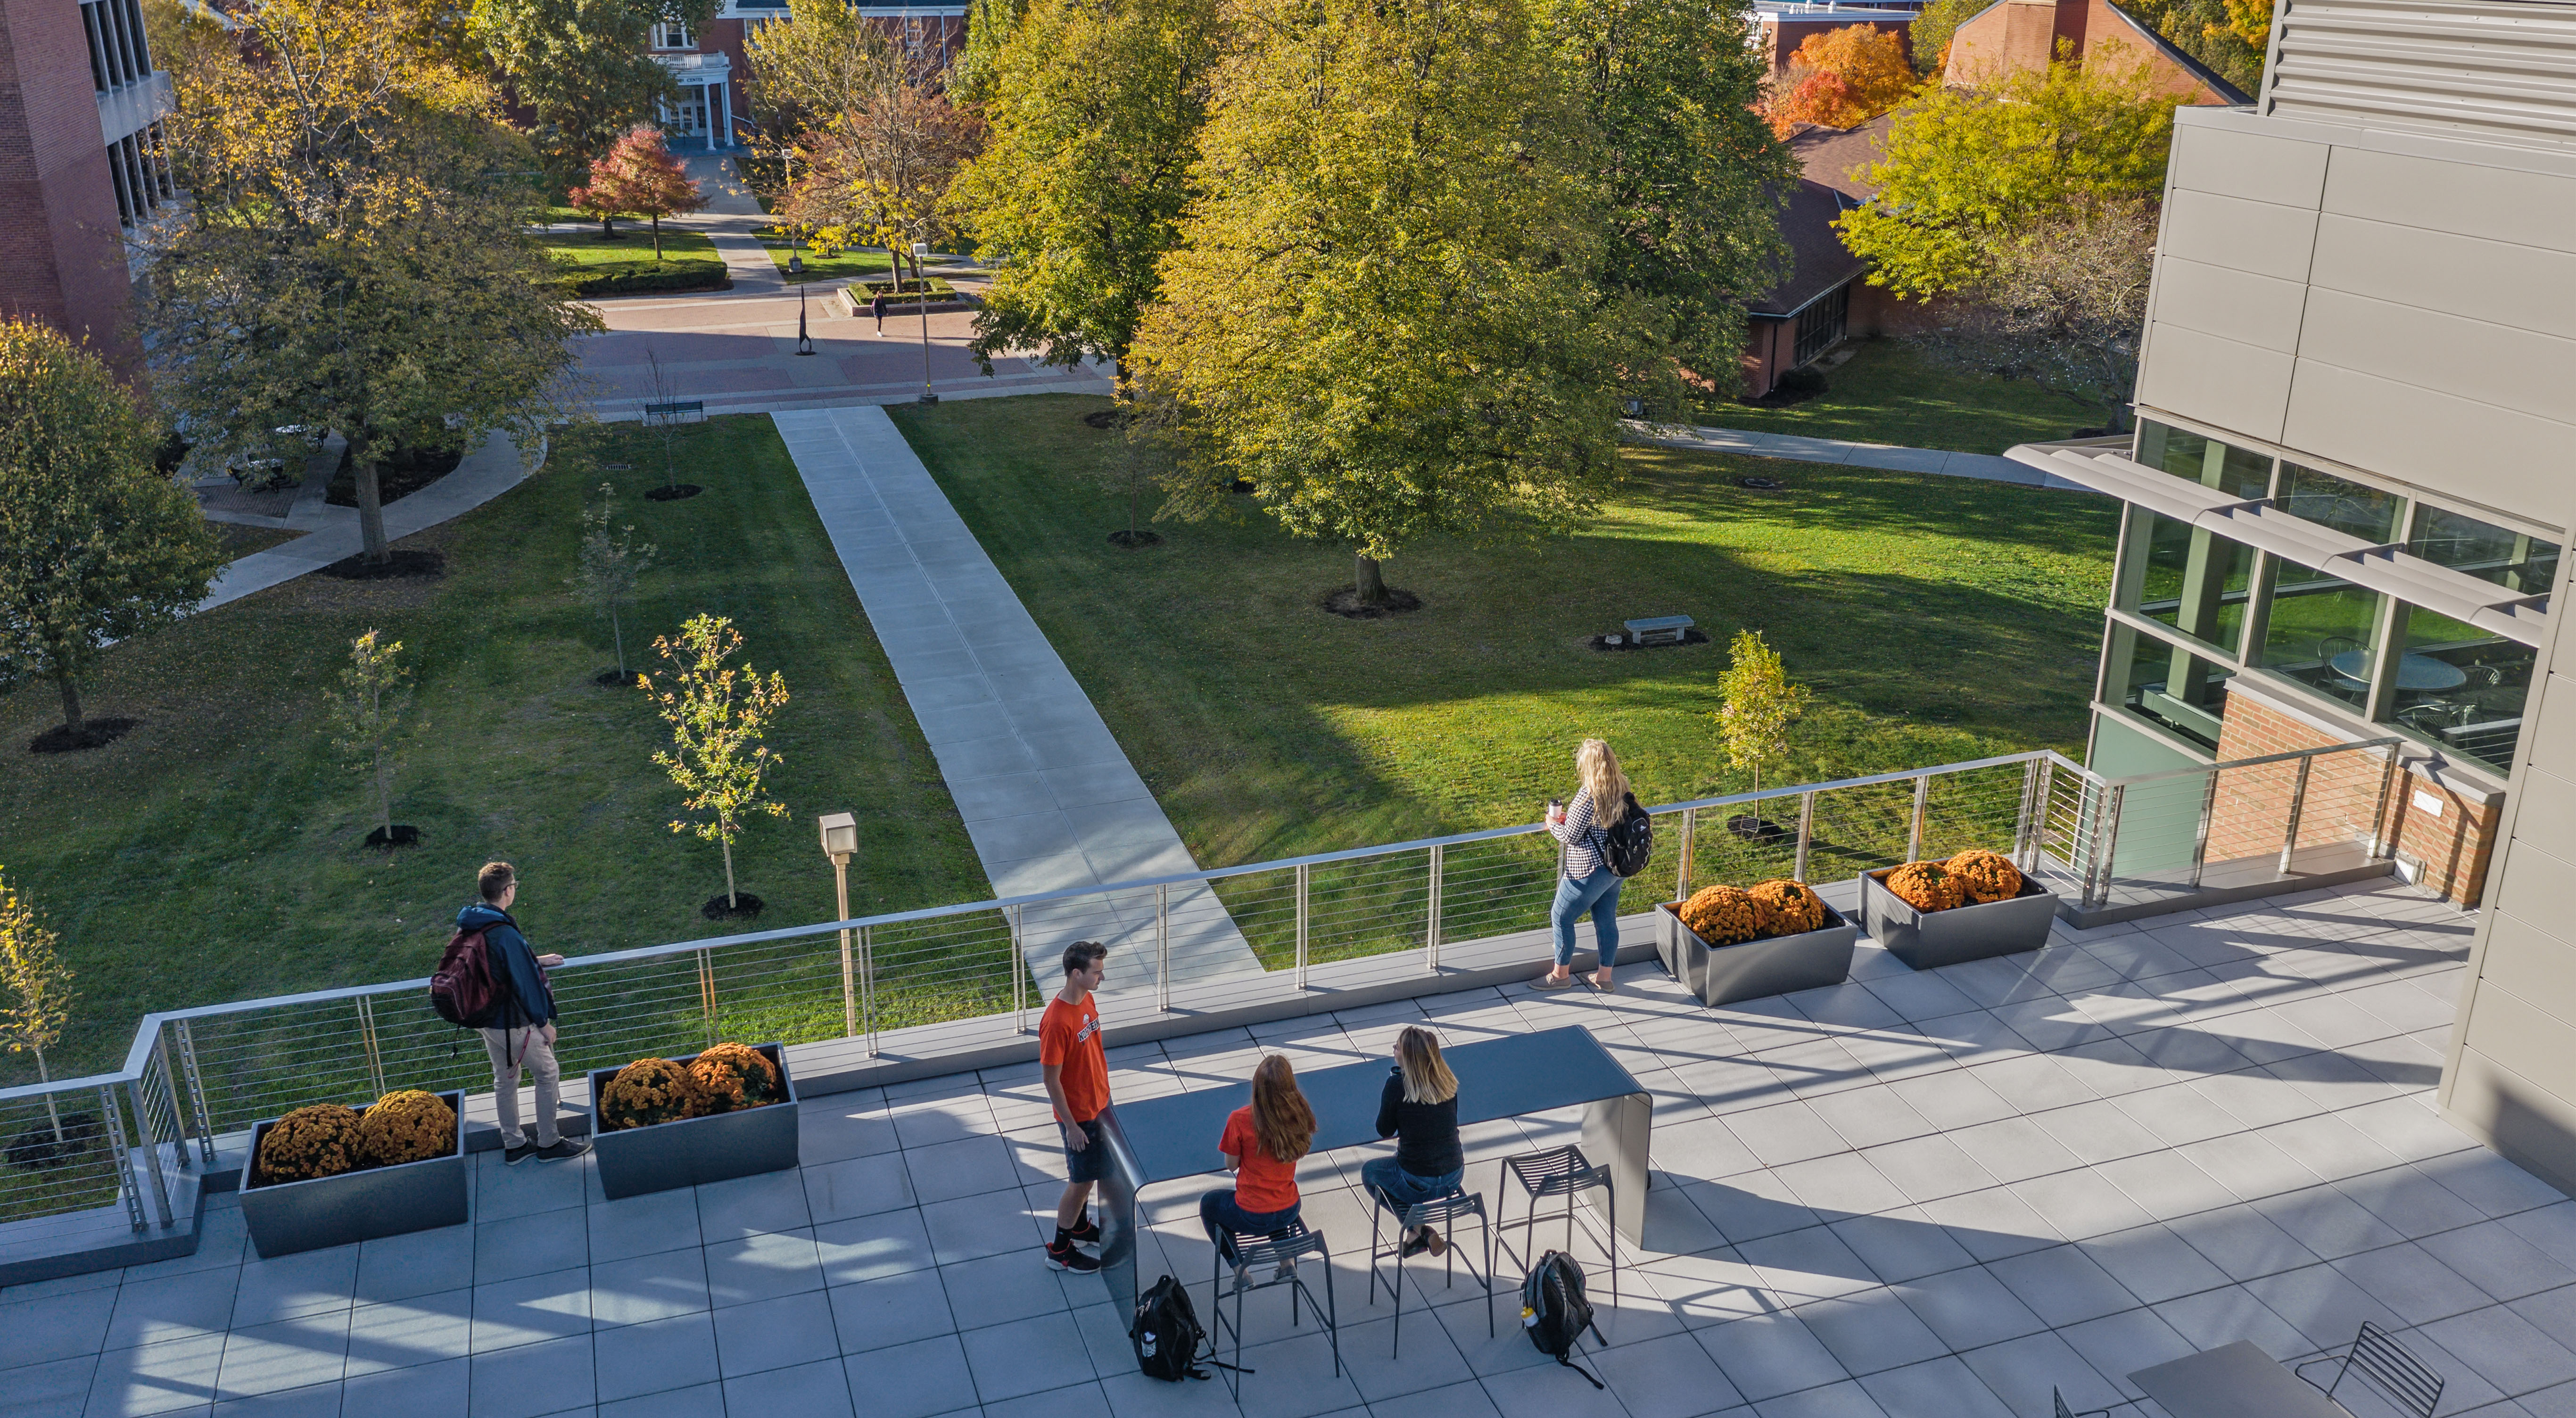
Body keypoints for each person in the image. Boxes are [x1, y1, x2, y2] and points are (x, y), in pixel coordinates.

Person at [456, 862, 586, 1164]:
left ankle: (514, 1146)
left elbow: (497, 964)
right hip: (511, 1021)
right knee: (547, 1073)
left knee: (505, 1079)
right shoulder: (504, 932)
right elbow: (524, 984)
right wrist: (543, 1024)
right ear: (507, 891)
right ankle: (550, 1144)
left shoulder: (472, 922)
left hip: (486, 1019)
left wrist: (536, 959)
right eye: (514, 885)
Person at [1536, 738, 1633, 992]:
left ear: (1588, 766)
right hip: (1615, 868)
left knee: (1561, 917)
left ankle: (1560, 976)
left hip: (1588, 871)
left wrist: (1553, 822)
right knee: (1606, 920)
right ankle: (1604, 978)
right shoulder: (1621, 787)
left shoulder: (1588, 794)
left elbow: (1571, 835)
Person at [1040, 940, 1112, 1273]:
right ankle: (1060, 1249)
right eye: (1097, 972)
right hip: (1078, 1116)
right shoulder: (1057, 1023)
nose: (1102, 977)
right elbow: (1051, 1080)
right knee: (1081, 1181)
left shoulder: (1088, 1000)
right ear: (1076, 973)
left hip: (1098, 1105)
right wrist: (1070, 1126)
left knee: (1091, 1173)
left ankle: (1081, 1227)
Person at [1200, 1055, 1314, 1262]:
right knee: (1274, 1209)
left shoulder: (1240, 1119)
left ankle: (1238, 1269)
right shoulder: (1299, 1115)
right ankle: (1286, 1263)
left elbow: (1231, 1165)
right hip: (1289, 1209)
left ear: (1257, 1088)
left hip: (1251, 1215)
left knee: (1209, 1204)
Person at [1363, 1026, 1464, 1257]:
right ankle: (1419, 1233)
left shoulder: (1397, 1086)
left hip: (1417, 1181)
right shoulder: (1448, 1082)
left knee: (1370, 1173)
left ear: (1406, 1057)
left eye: (1397, 1047)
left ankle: (1419, 1229)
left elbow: (1384, 1130)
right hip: (1454, 1176)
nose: (1393, 1049)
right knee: (1402, 1165)